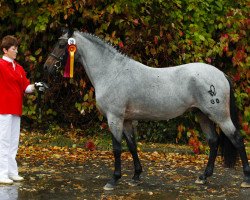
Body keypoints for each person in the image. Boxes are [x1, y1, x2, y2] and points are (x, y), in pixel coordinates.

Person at [0, 35, 47, 184]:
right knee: (3, 142)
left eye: (17, 48)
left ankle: (12, 172)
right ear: (5, 50)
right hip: (3, 109)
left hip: (16, 109)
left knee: (14, 142)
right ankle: (2, 174)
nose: (16, 51)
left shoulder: (19, 68)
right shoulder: (0, 65)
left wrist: (36, 86)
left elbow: (26, 88)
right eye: (13, 49)